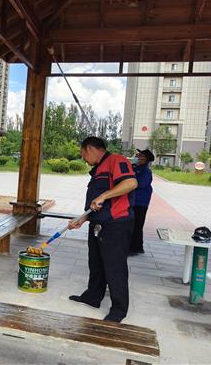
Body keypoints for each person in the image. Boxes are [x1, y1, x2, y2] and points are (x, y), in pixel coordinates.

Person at [67, 137, 138, 322]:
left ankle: (119, 309)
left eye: (83, 154)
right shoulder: (98, 169)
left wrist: (105, 195)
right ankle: (93, 296)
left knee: (115, 267)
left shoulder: (116, 160)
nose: (83, 158)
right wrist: (82, 219)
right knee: (96, 262)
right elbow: (96, 204)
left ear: (90, 148)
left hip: (116, 224)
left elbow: (131, 183)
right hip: (98, 224)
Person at [129, 149, 154, 255]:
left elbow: (140, 184)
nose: (137, 157)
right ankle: (138, 247)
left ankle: (134, 249)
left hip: (140, 202)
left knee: (137, 225)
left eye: (140, 156)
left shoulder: (146, 171)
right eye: (137, 155)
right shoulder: (135, 167)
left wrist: (128, 183)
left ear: (145, 159)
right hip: (133, 200)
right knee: (133, 224)